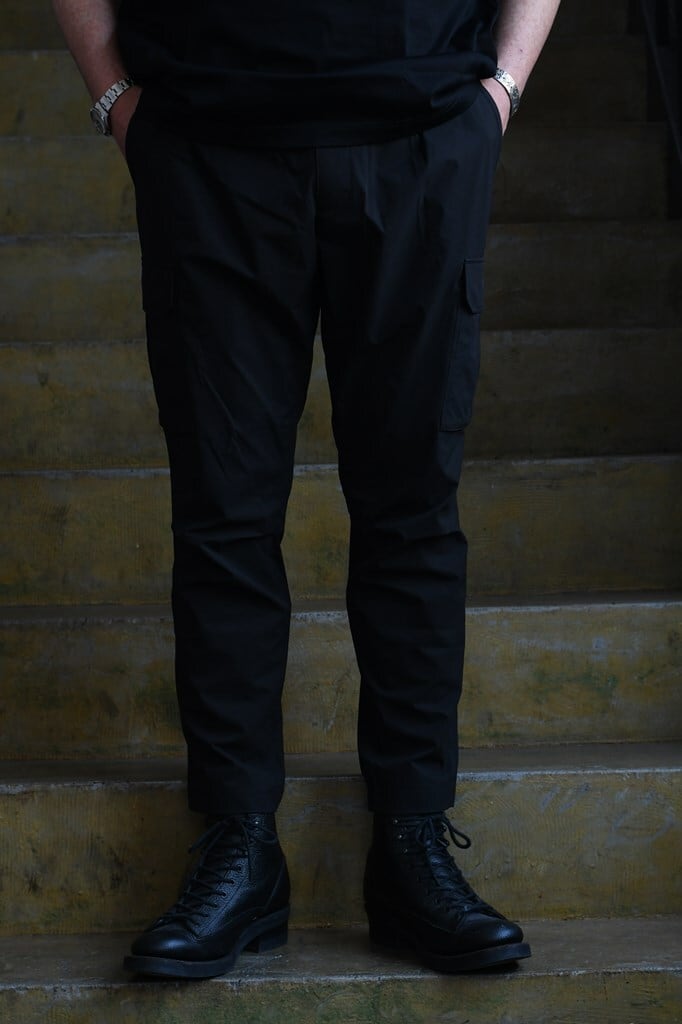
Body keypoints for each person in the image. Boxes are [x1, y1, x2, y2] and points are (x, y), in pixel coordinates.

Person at [52, 0, 561, 980]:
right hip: (209, 142)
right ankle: (239, 843)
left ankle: (411, 839)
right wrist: (116, 98)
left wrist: (499, 90)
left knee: (413, 508)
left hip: (422, 135)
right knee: (223, 515)